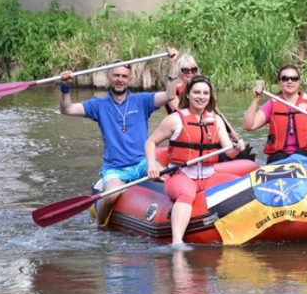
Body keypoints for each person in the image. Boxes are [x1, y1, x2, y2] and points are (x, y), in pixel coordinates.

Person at [59, 47, 180, 226]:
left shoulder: (142, 101)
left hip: (142, 162)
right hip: (115, 168)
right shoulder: (98, 105)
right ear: (108, 77)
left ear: (130, 79)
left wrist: (172, 64)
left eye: (124, 76)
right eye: (116, 75)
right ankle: (98, 226)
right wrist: (65, 87)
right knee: (111, 196)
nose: (120, 80)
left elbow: (170, 95)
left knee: (171, 182)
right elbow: (67, 109)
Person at [145, 75, 247, 249]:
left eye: (205, 93)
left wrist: (238, 148)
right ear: (188, 95)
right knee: (187, 193)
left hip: (208, 175)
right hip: (180, 176)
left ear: (210, 96)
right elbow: (151, 142)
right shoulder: (175, 120)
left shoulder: (217, 120)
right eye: (197, 92)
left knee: (239, 186)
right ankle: (177, 242)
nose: (201, 97)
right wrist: (152, 164)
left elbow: (229, 152)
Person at [241, 65, 307, 164]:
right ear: (280, 83)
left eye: (294, 78)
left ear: (299, 82)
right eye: (285, 78)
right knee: (279, 157)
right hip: (279, 156)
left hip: (306, 155)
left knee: (302, 155)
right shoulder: (272, 104)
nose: (290, 81)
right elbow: (248, 126)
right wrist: (256, 99)